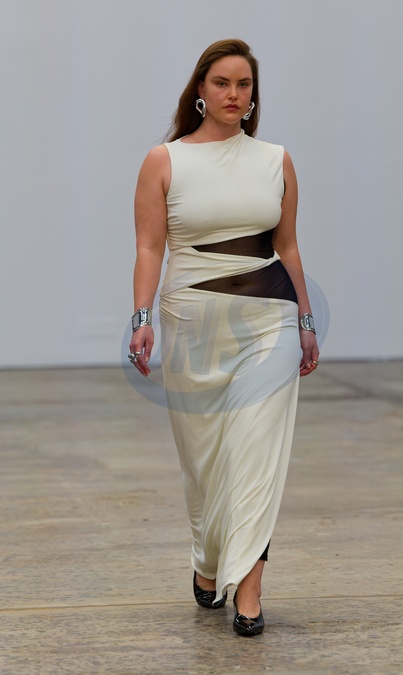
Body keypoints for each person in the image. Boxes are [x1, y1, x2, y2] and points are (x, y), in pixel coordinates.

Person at [129, 39, 319, 637]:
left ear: (253, 94)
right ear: (201, 91)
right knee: (206, 457)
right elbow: (149, 247)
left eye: (243, 84)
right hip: (192, 322)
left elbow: (287, 246)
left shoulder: (276, 160)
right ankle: (208, 559)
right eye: (221, 83)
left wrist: (305, 322)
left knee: (257, 451)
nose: (233, 94)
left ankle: (249, 589)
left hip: (269, 318)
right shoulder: (164, 160)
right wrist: (140, 319)